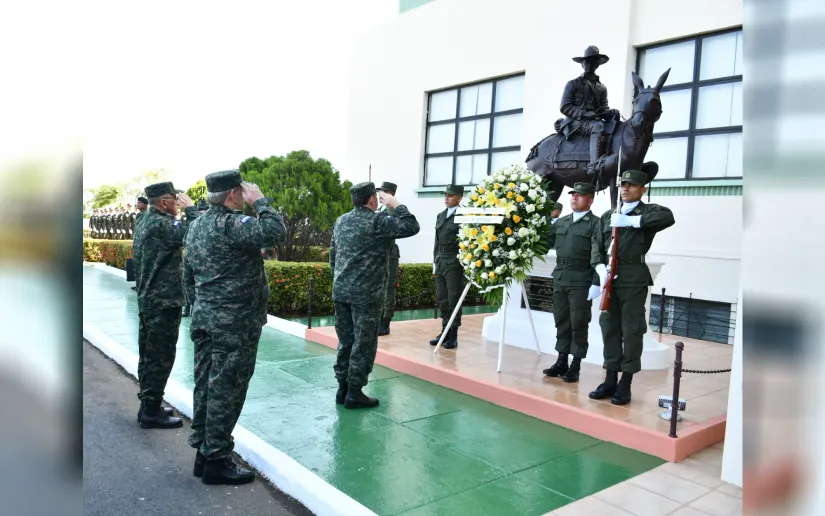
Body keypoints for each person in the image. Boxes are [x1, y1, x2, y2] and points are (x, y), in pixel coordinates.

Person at [182, 170, 286, 485]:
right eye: (242, 192)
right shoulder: (232, 224)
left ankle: (204, 452)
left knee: (206, 385)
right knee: (227, 390)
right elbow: (276, 231)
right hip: (234, 324)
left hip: (205, 318)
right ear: (232, 195)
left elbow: (187, 274)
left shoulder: (197, 224)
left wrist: (200, 305)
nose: (245, 196)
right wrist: (261, 202)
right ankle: (216, 460)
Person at [330, 182, 420, 408]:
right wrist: (395, 203)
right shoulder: (378, 221)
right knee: (364, 342)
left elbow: (333, 255)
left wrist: (340, 280)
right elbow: (412, 226)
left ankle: (342, 388)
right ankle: (354, 392)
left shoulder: (341, 220)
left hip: (341, 291)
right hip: (366, 295)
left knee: (346, 341)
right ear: (372, 199)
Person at [589, 170, 675, 405]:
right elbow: (597, 244)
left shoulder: (648, 211)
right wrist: (599, 269)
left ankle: (625, 382)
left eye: (632, 185)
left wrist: (633, 221)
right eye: (623, 184)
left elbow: (668, 217)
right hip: (610, 277)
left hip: (633, 278)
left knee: (631, 330)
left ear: (642, 189)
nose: (625, 188)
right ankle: (610, 378)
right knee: (609, 328)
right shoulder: (609, 215)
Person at [132, 182, 199, 429]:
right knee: (160, 357)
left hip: (148, 299)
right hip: (164, 301)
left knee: (148, 354)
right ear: (163, 202)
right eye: (174, 200)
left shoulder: (143, 220)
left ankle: (148, 405)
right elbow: (196, 234)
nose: (177, 204)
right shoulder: (164, 224)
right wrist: (191, 209)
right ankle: (151, 411)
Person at [542, 183, 601, 383]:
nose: (574, 198)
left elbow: (600, 254)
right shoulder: (562, 221)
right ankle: (561, 361)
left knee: (578, 322)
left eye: (580, 195)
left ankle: (575, 365)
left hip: (581, 280)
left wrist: (596, 282)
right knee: (562, 320)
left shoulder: (596, 224)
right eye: (573, 194)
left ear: (590, 200)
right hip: (561, 277)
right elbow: (545, 243)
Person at [558, 46, 620, 175]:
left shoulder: (601, 88)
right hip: (575, 122)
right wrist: (584, 114)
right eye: (586, 61)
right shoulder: (573, 83)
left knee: (613, 126)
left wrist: (611, 113)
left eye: (592, 62)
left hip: (593, 121)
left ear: (597, 65)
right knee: (598, 126)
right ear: (582, 64)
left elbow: (603, 109)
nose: (589, 64)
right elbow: (564, 106)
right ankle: (594, 165)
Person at [429, 184, 465, 349]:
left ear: (459, 197)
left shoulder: (464, 215)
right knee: (442, 298)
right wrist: (434, 261)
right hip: (441, 260)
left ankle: (453, 335)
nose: (446, 198)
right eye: (445, 195)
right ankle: (444, 332)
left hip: (454, 261)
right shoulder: (441, 215)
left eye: (450, 195)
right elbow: (436, 241)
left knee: (453, 299)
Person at [375, 181, 400, 336]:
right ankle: (378, 319)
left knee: (388, 288)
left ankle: (385, 322)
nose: (380, 195)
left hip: (389, 253)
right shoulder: (377, 210)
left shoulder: (394, 211)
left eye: (383, 192)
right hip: (378, 253)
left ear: (390, 194)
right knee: (378, 287)